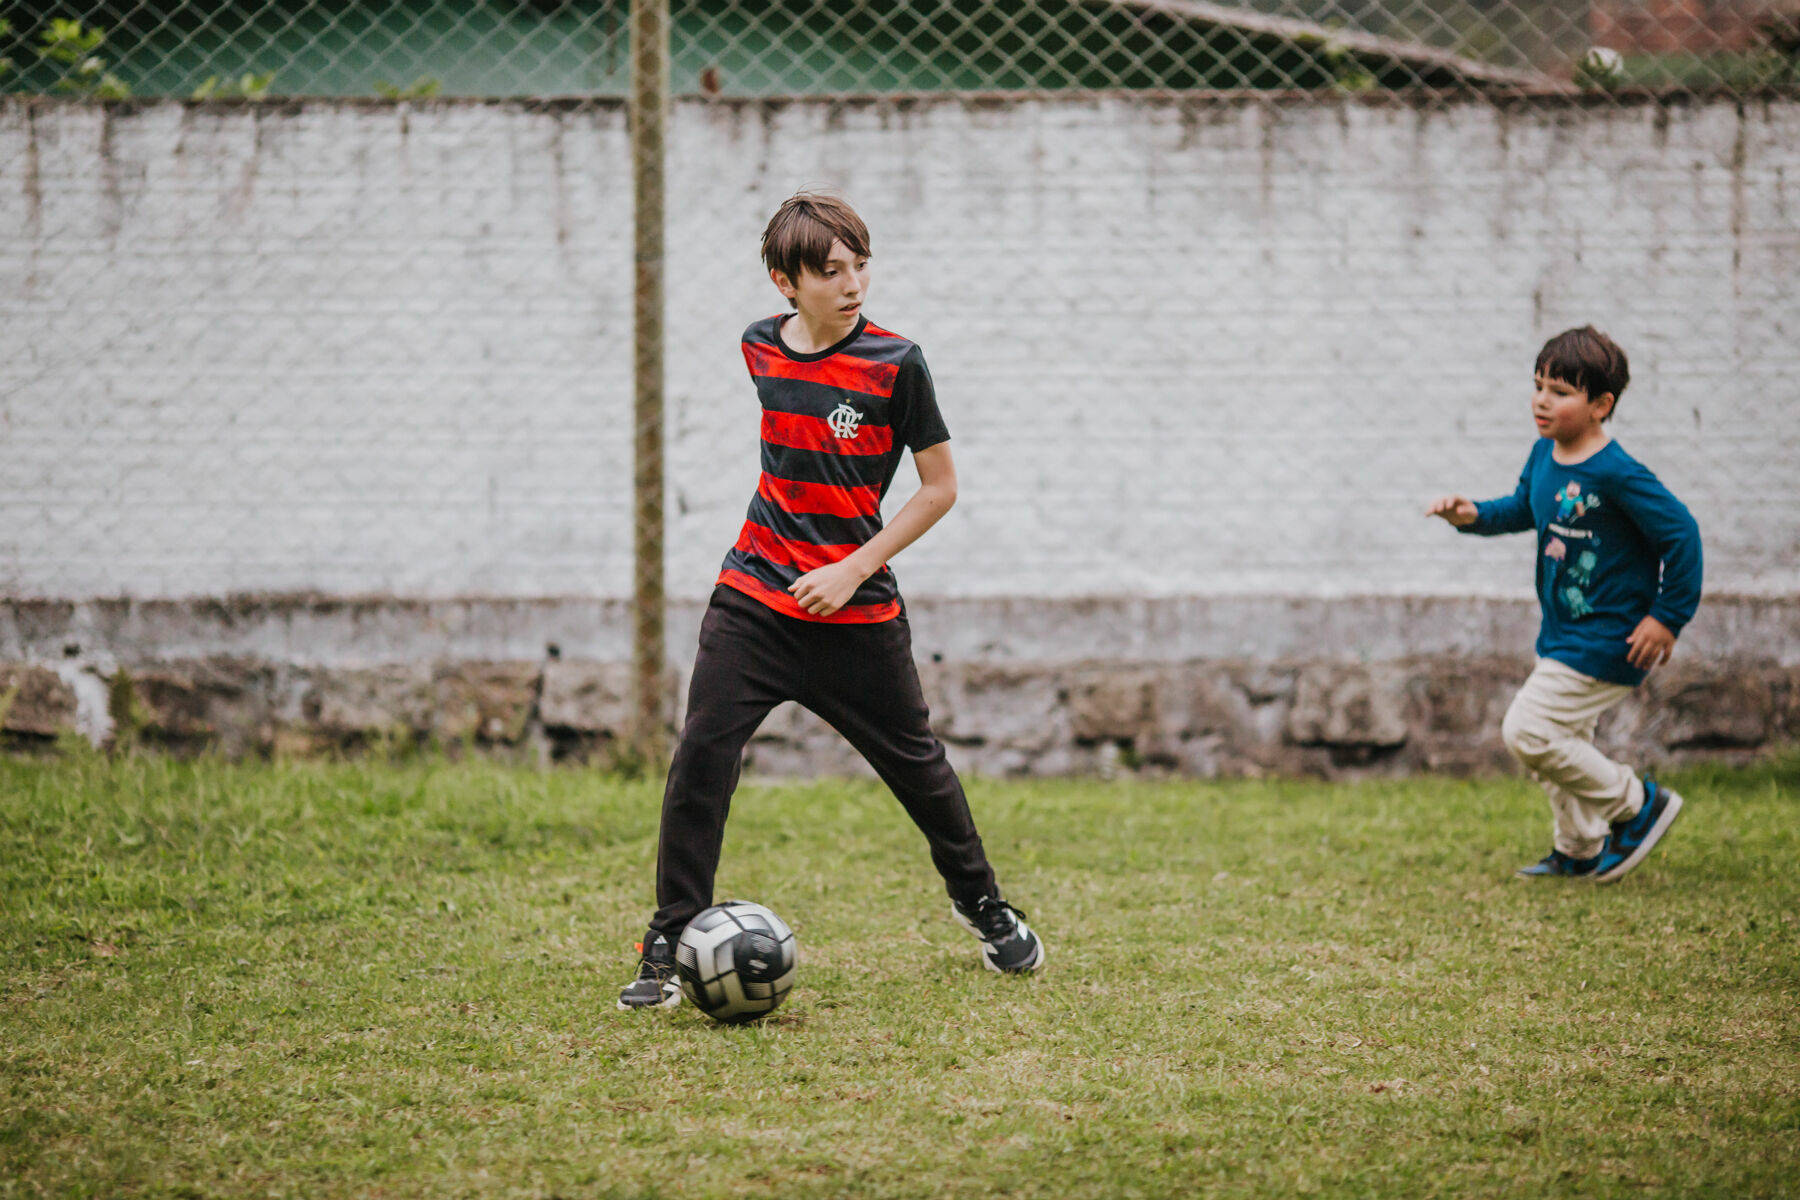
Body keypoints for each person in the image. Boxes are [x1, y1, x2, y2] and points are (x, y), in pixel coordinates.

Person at [619, 191, 1045, 1010]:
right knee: (701, 758)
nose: (852, 284)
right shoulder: (759, 347)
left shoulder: (898, 363)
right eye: (830, 271)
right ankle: (668, 942)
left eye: (859, 264)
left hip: (855, 614)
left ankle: (983, 903)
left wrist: (853, 568)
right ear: (786, 282)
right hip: (754, 596)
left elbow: (939, 488)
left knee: (919, 770)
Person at [1427, 326, 1702, 883]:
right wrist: (1472, 515)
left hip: (1612, 637)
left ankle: (1637, 804)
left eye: (1560, 391)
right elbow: (1522, 508)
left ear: (1601, 404)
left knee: (1529, 731)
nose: (1541, 400)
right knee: (1563, 741)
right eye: (1538, 386)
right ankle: (1578, 848)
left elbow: (1682, 535)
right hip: (1562, 632)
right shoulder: (1544, 454)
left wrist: (1667, 617)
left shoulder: (1618, 473)